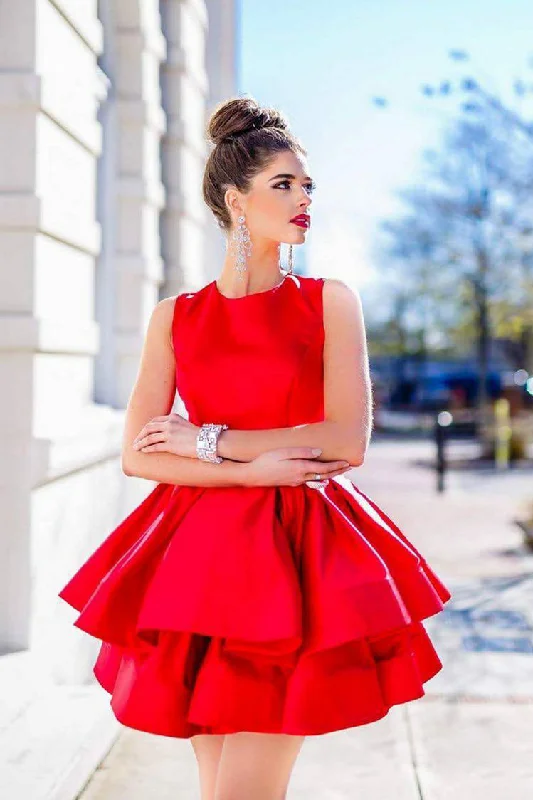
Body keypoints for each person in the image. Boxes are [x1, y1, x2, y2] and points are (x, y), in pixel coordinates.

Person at [58, 96, 451, 800]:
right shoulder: (175, 317)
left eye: (307, 186)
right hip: (198, 561)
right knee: (220, 785)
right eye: (283, 185)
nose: (303, 199)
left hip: (297, 560)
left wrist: (209, 442)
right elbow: (140, 454)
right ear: (236, 200)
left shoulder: (328, 301)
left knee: (243, 791)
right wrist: (248, 472)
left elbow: (344, 439)